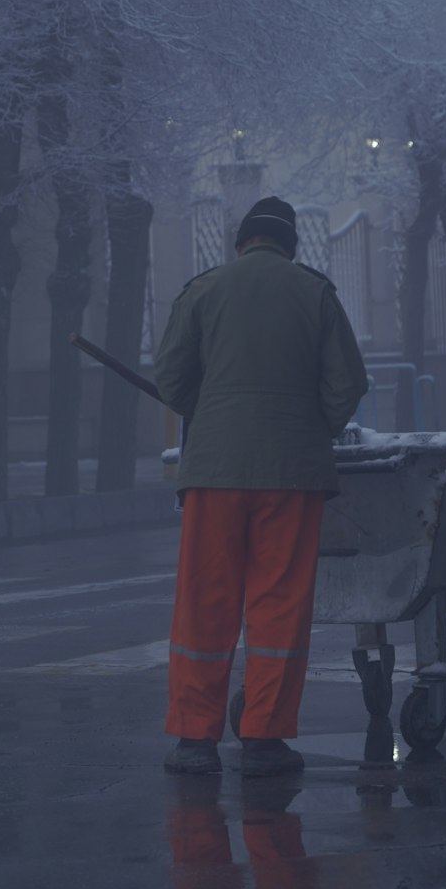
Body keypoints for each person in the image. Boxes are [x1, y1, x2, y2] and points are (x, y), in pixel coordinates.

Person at [153, 195, 369, 777]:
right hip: (292, 474)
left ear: (242, 241)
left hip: (214, 473)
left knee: (205, 601)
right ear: (288, 244)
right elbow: (348, 383)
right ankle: (265, 738)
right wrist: (309, 426)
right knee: (279, 604)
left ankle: (195, 741)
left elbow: (170, 379)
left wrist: (215, 410)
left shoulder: (203, 290)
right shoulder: (315, 293)